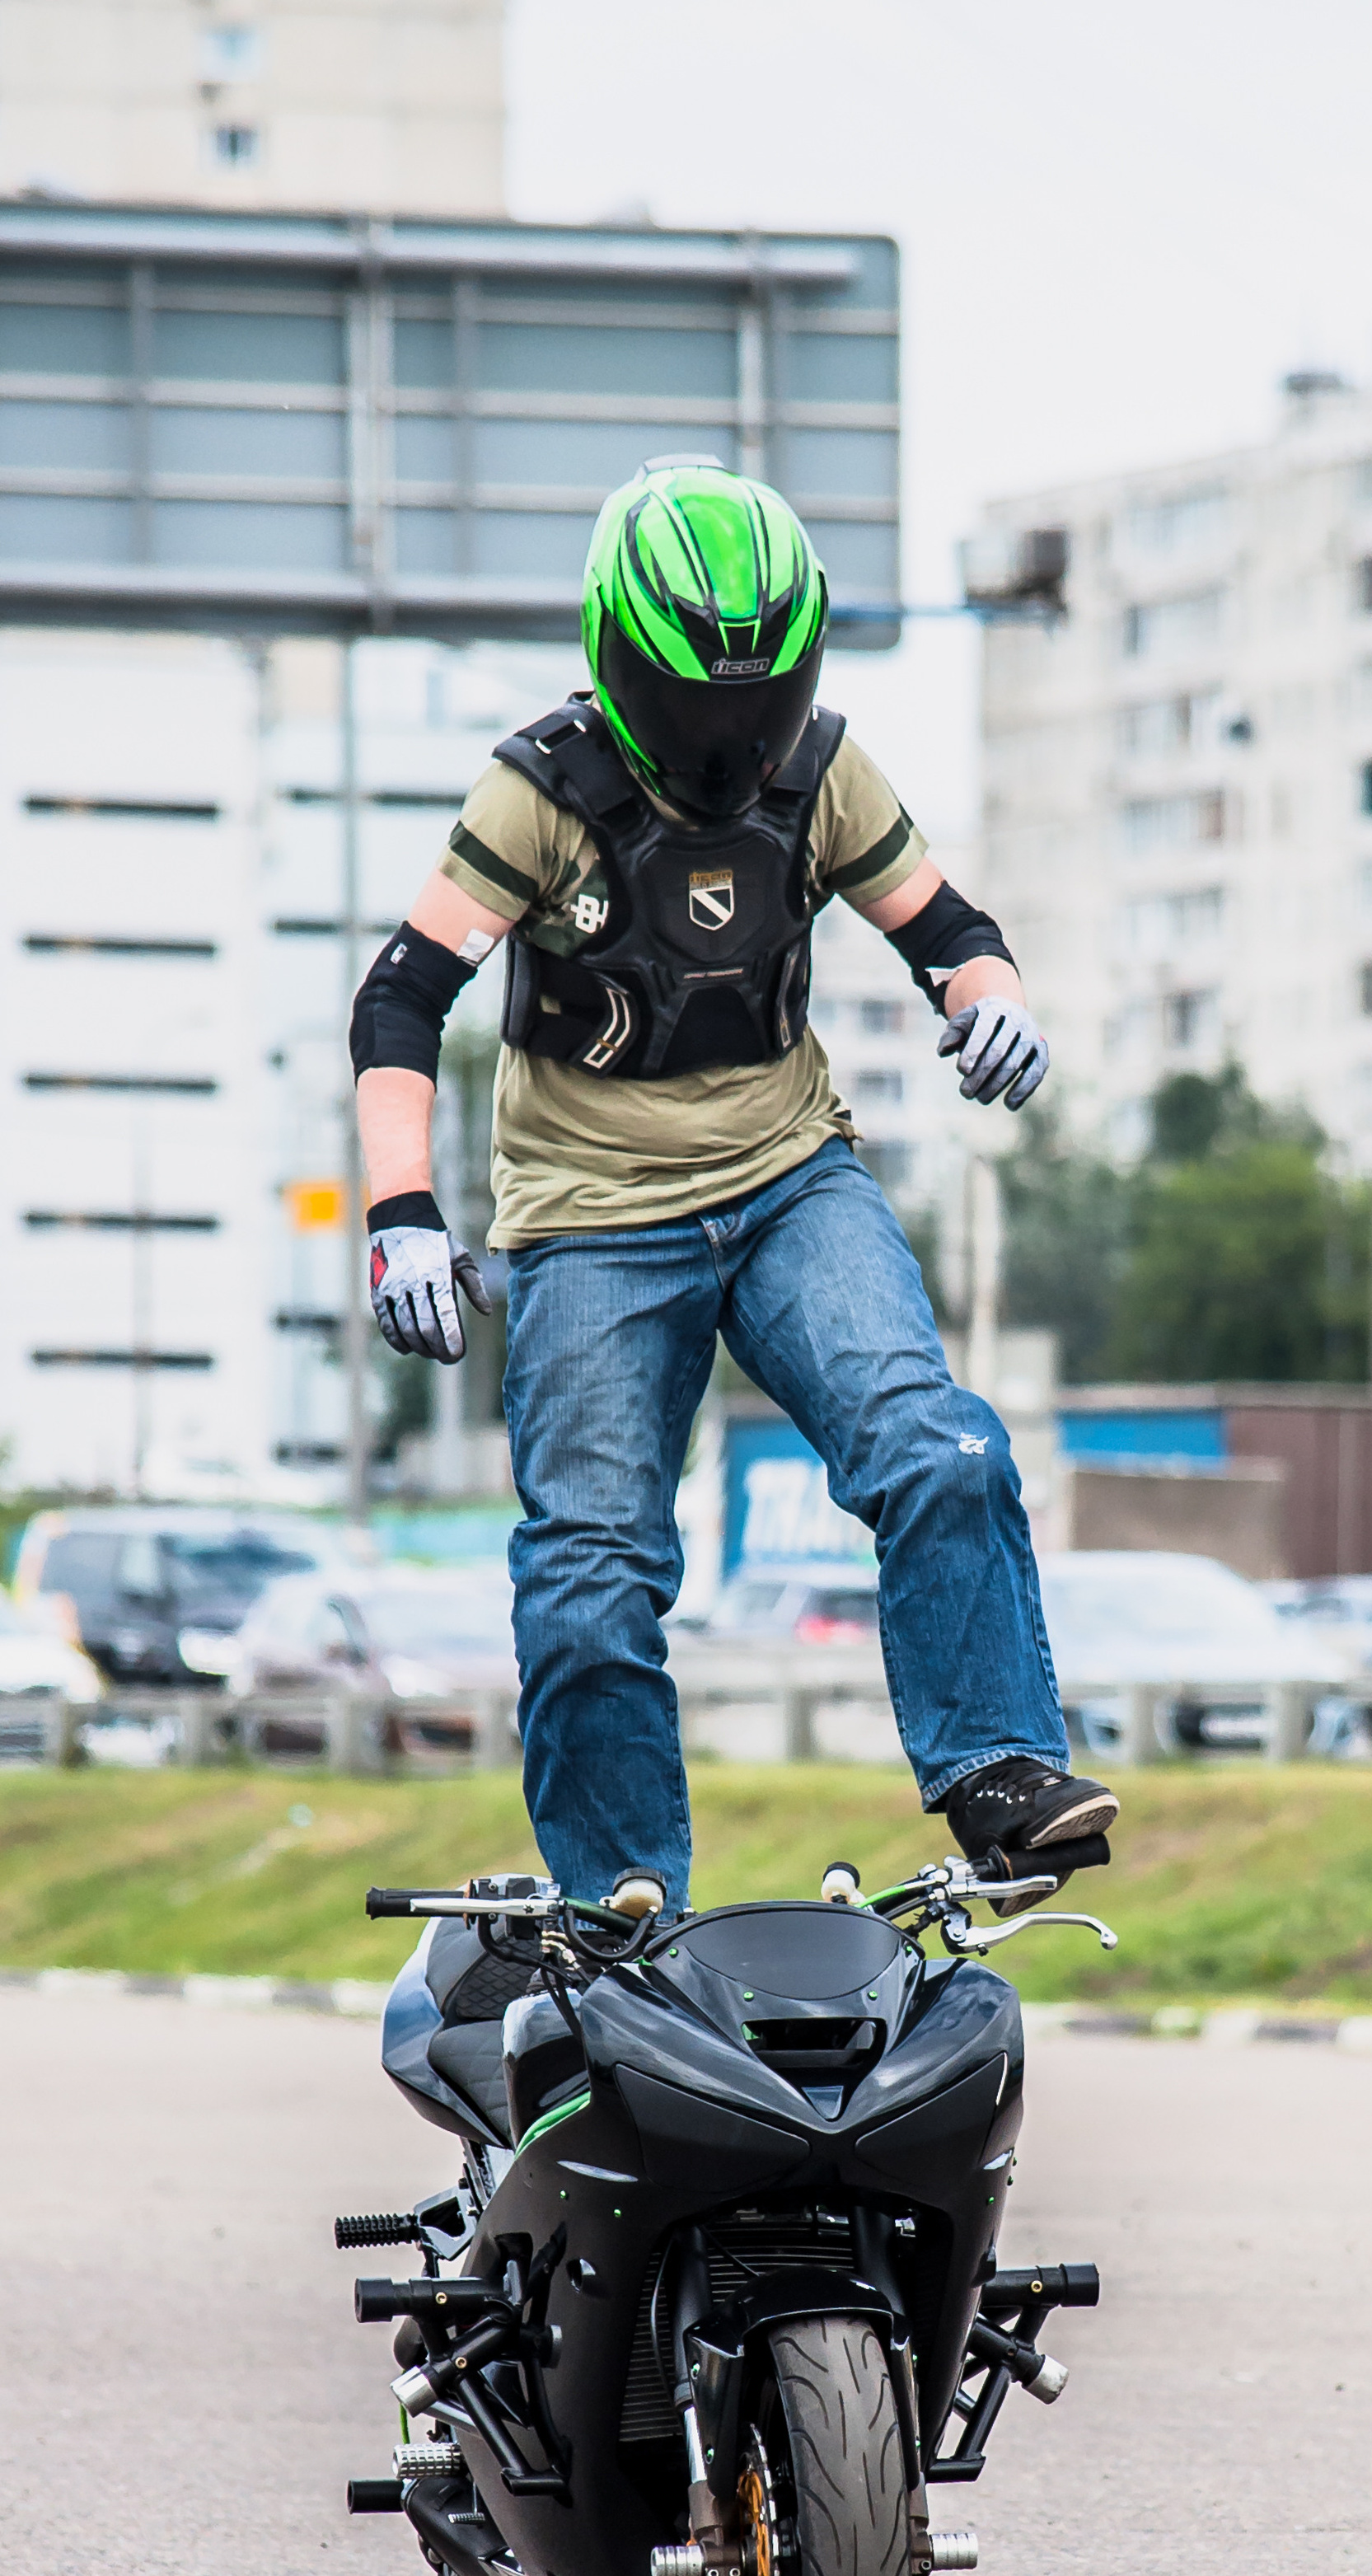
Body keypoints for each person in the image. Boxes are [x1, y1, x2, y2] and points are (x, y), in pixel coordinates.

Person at [349, 454, 1117, 1918]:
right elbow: (402, 999)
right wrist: (400, 1214)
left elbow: (946, 927)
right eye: (696, 708)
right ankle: (622, 1896)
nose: (728, 744)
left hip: (789, 1184)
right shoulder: (538, 796)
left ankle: (1001, 1774)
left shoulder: (822, 773)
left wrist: (995, 997)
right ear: (618, 659)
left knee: (944, 1448)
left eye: (753, 709)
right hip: (589, 1220)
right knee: (588, 1579)